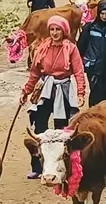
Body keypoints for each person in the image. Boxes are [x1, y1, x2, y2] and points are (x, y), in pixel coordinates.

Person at [20, 15, 86, 179]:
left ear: (64, 31)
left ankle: (61, 168)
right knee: (39, 126)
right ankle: (38, 167)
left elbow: (78, 72)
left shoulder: (70, 48)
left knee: (62, 129)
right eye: (52, 29)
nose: (55, 32)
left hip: (63, 89)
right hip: (46, 88)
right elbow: (34, 73)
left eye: (58, 29)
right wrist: (25, 91)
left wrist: (80, 93)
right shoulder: (42, 47)